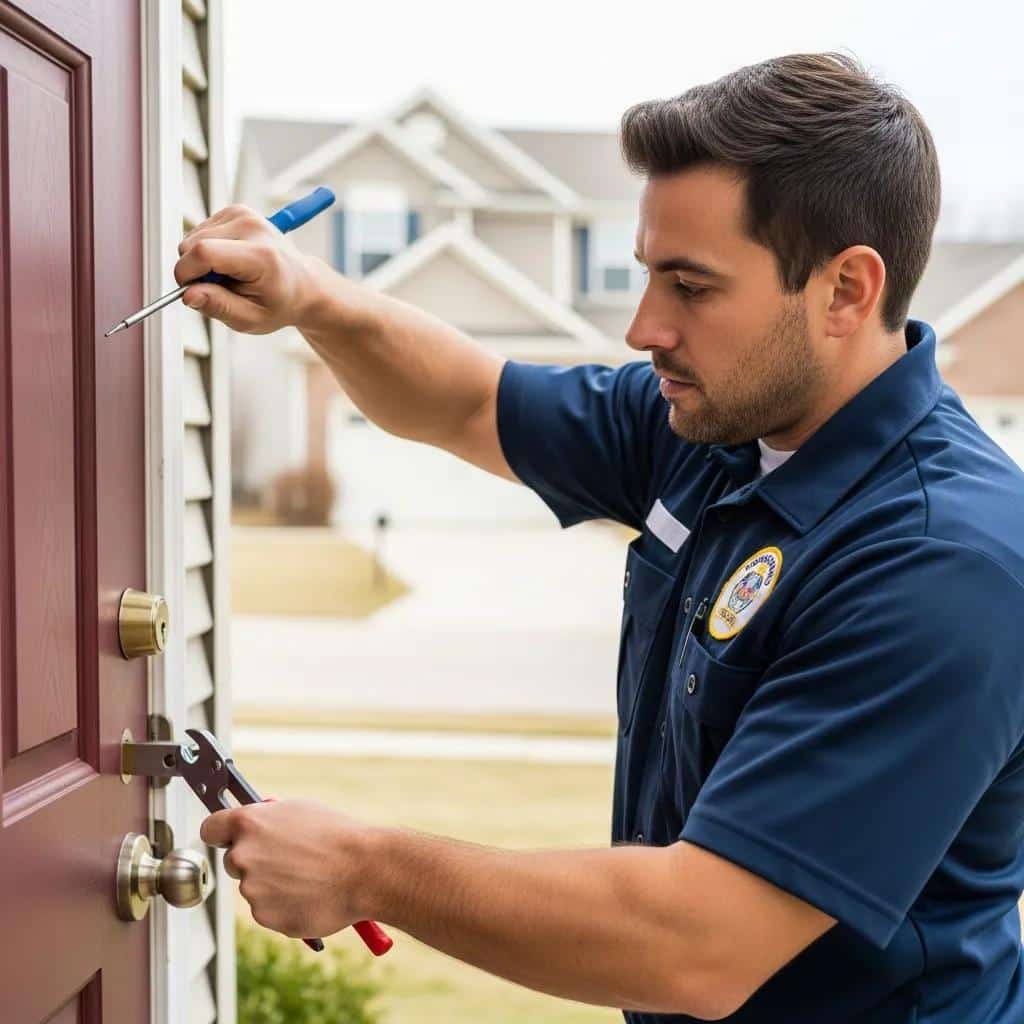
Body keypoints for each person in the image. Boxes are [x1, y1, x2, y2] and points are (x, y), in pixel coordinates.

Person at [183, 52, 1024, 1022]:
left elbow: (698, 943)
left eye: (690, 285)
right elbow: (467, 402)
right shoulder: (711, 429)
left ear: (845, 291)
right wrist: (309, 295)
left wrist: (368, 868)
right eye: (647, 275)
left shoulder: (941, 564)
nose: (642, 326)